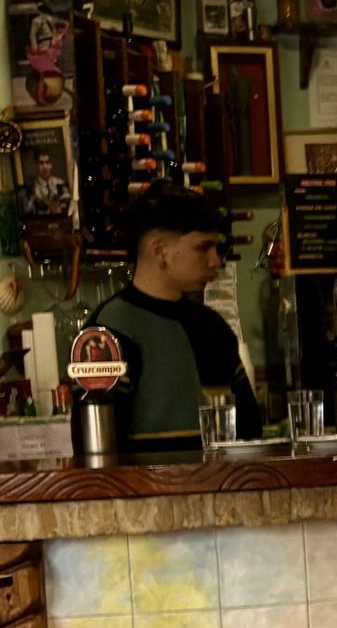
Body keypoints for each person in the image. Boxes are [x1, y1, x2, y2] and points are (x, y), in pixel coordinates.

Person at [85, 188, 263, 451]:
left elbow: (250, 430)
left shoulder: (212, 327)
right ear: (160, 250)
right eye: (203, 247)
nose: (216, 261)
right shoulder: (110, 328)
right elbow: (96, 450)